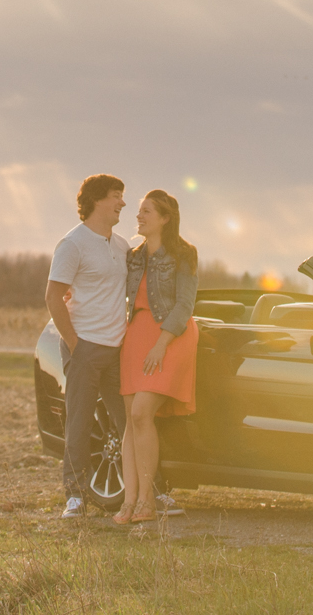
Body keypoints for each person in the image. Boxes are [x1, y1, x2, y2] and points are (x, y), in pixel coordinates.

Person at [45, 174, 130, 519]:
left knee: (129, 422)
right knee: (79, 422)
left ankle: (145, 492)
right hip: (85, 348)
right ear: (97, 200)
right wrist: (75, 345)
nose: (122, 203)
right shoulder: (73, 244)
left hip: (117, 348)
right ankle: (76, 497)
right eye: (116, 196)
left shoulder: (122, 245)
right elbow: (53, 297)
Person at [113, 189, 199, 524]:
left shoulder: (184, 254)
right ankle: (129, 501)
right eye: (139, 210)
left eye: (146, 211)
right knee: (131, 422)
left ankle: (147, 501)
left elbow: (185, 304)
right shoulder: (133, 256)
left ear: (164, 218)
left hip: (170, 336)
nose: (139, 216)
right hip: (136, 336)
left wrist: (162, 344)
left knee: (141, 412)